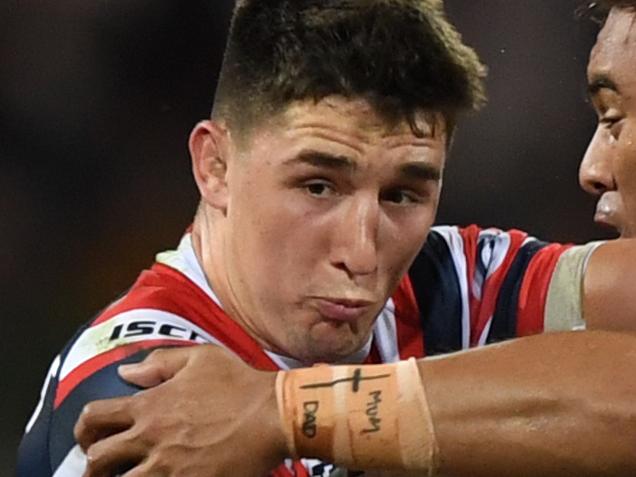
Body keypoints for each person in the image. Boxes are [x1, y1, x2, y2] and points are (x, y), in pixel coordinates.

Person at [17, 0, 636, 476]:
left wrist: (286, 410)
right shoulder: (135, 395)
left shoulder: (436, 284)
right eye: (318, 186)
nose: (363, 254)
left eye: (402, 195)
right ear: (215, 167)